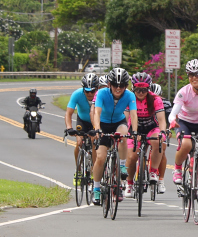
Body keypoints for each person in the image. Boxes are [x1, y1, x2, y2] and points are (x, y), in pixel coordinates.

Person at [169, 59, 198, 208]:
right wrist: (172, 121)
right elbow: (173, 113)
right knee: (186, 144)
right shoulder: (184, 92)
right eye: (191, 75)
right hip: (185, 123)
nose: (194, 78)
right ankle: (178, 168)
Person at [91, 68, 138, 205]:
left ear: (126, 86)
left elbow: (134, 115)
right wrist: (97, 129)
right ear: (109, 84)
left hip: (119, 121)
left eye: (122, 85)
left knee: (123, 134)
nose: (118, 88)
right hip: (104, 124)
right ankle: (97, 188)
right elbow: (97, 113)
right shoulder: (102, 93)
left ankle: (122, 166)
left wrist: (134, 132)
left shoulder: (130, 95)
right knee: (100, 157)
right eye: (115, 85)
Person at [124, 72, 167, 198]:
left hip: (150, 128)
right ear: (133, 88)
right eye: (138, 89)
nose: (141, 93)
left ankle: (153, 171)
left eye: (144, 90)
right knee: (132, 157)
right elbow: (125, 119)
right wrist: (127, 133)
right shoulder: (129, 98)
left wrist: (163, 132)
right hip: (134, 128)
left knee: (158, 141)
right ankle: (130, 183)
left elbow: (162, 120)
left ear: (148, 88)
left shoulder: (155, 99)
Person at [65, 74, 99, 185]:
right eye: (87, 91)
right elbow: (68, 113)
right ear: (83, 89)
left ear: (97, 89)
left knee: (95, 141)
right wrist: (69, 128)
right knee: (79, 143)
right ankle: (78, 171)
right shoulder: (77, 94)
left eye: (92, 91)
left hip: (97, 121)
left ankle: (95, 170)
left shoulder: (100, 95)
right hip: (83, 121)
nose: (89, 94)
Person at [151, 82, 171, 194]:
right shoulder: (144, 101)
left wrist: (167, 130)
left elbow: (168, 118)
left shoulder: (165, 103)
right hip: (149, 128)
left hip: (161, 128)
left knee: (162, 150)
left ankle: (161, 180)